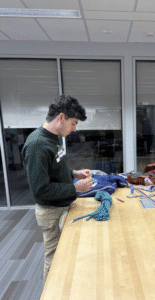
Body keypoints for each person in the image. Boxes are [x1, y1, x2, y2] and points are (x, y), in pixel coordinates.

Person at [21, 95, 93, 284]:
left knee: (66, 254)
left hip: (62, 205)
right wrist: (74, 188)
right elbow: (41, 190)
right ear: (61, 117)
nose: (75, 129)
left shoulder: (54, 138)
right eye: (73, 123)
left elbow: (55, 168)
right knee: (54, 259)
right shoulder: (37, 145)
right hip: (51, 212)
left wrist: (74, 173)